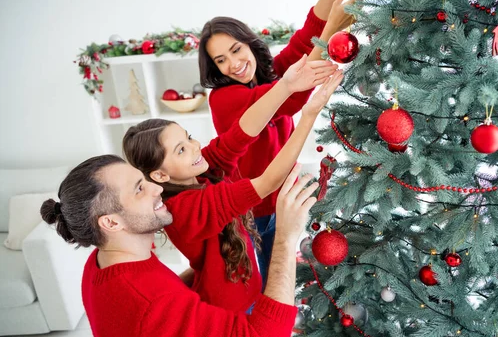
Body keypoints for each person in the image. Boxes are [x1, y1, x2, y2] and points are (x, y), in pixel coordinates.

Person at [40, 158, 317, 337]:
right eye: (139, 189)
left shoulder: (102, 262)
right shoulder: (150, 303)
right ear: (111, 222)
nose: (158, 187)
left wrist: (210, 272)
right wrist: (286, 236)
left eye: (143, 180)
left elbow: (162, 302)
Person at [122, 69, 343, 315]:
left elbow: (240, 134)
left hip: (247, 293)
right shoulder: (186, 207)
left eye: (189, 138)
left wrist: (285, 87)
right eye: (181, 150)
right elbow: (268, 181)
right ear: (161, 175)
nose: (195, 147)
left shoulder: (198, 172)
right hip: (230, 310)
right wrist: (308, 116)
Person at [198, 0, 361, 286]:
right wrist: (331, 33)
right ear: (214, 68)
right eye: (221, 60)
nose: (233, 63)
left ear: (248, 43)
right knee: (277, 282)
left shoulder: (267, 75)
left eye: (236, 50)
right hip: (255, 212)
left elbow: (308, 34)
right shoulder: (224, 99)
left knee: (298, 274)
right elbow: (294, 93)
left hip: (286, 196)